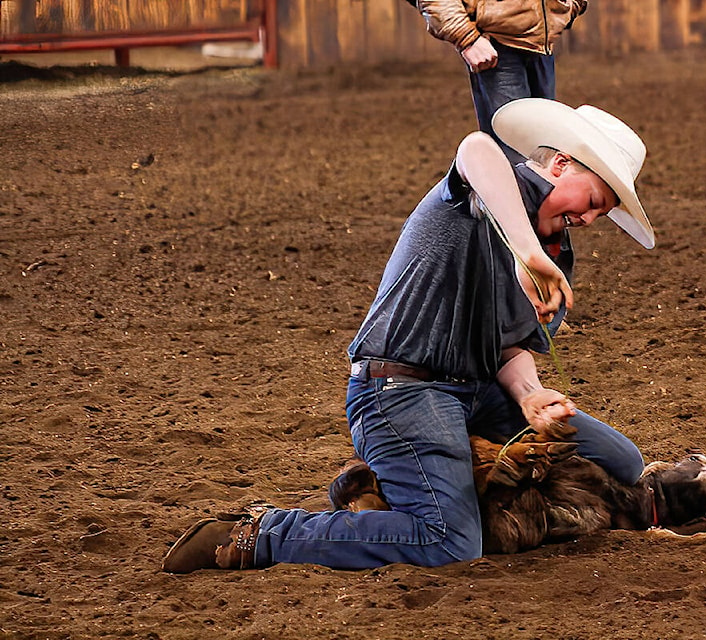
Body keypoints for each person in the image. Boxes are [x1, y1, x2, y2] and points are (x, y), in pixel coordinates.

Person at [161, 98, 657, 573]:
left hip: (474, 391)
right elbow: (475, 147)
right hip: (400, 389)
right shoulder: (490, 191)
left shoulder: (555, 249)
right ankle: (263, 535)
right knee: (448, 541)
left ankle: (390, 489)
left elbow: (509, 344)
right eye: (593, 200)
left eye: (600, 213)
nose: (589, 219)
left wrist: (530, 395)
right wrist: (527, 251)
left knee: (620, 460)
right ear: (560, 165)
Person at [418, 0, 588, 162]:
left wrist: (567, 8)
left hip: (542, 42)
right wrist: (466, 38)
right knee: (514, 159)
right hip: (496, 46)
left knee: (543, 155)